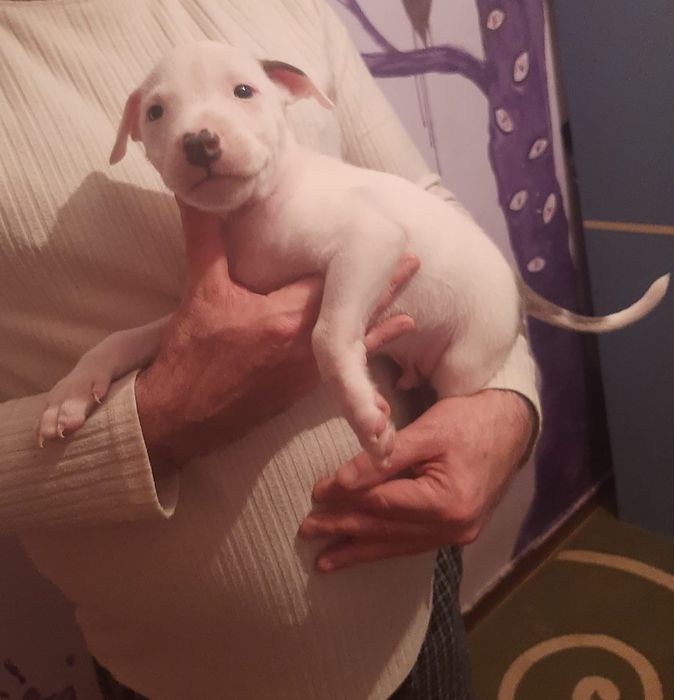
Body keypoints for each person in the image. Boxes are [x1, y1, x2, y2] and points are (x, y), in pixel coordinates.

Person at [0, 1, 539, 698]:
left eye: (242, 93)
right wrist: (156, 420)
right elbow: (199, 330)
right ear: (134, 131)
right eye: (158, 114)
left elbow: (422, 205)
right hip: (184, 668)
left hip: (409, 593)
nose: (198, 134)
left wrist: (503, 398)